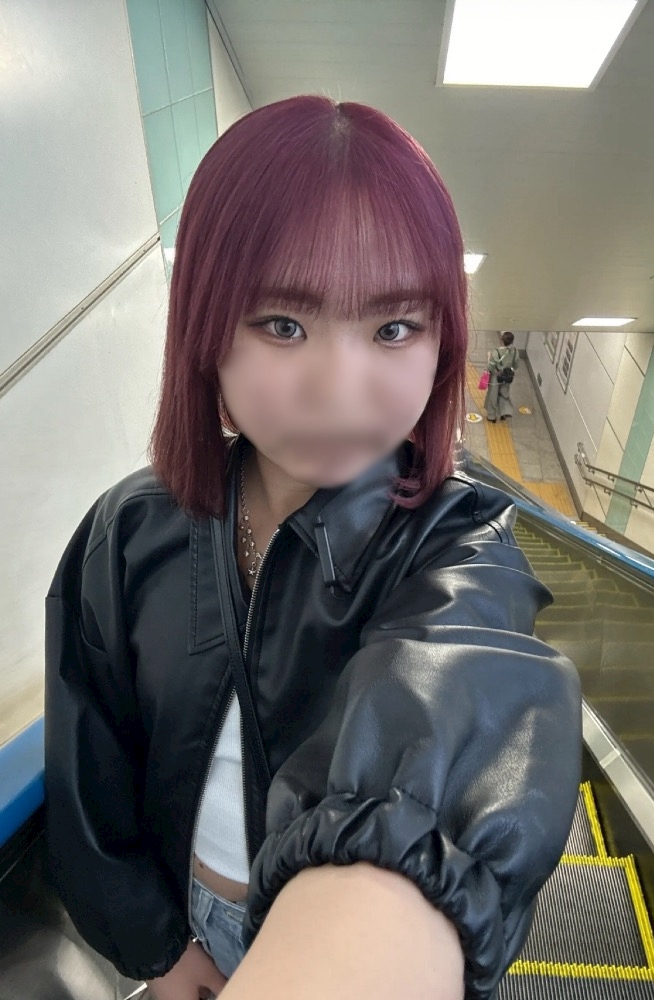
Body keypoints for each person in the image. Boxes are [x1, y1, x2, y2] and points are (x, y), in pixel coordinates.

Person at [44, 96, 581, 1000]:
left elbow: (427, 770)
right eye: (284, 325)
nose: (341, 386)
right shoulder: (127, 530)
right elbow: (89, 766)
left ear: (442, 344)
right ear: (206, 331)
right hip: (182, 928)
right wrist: (159, 952)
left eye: (393, 329)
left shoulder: (458, 548)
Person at [485, 331, 520, 423]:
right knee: (504, 393)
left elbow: (490, 366)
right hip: (507, 376)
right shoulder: (515, 352)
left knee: (493, 394)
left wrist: (488, 358)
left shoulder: (496, 352)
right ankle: (504, 413)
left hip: (496, 375)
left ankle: (491, 416)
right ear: (512, 341)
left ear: (502, 340)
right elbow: (516, 366)